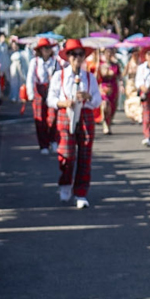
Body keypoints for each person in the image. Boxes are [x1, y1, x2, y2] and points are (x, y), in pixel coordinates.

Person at [51, 39, 101, 207]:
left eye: (80, 55)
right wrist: (64, 103)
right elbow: (51, 99)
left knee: (85, 156)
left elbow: (97, 101)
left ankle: (81, 192)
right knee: (67, 154)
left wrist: (88, 97)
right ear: (68, 56)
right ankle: (65, 184)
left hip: (85, 115)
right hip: (66, 114)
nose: (77, 58)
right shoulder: (59, 76)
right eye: (73, 54)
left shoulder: (89, 77)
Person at [24, 37, 57, 154]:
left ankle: (53, 140)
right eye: (44, 48)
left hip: (52, 90)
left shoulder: (55, 61)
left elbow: (59, 76)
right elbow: (30, 78)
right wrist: (30, 94)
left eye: (49, 48)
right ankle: (43, 145)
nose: (47, 50)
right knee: (40, 119)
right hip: (39, 90)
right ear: (40, 50)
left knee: (53, 117)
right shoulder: (35, 62)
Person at [96, 50, 122, 135]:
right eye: (107, 53)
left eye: (110, 52)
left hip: (113, 87)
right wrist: (97, 68)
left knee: (112, 107)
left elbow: (119, 76)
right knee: (105, 105)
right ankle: (105, 123)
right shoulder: (100, 64)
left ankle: (109, 123)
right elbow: (97, 77)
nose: (109, 54)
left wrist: (122, 85)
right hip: (104, 87)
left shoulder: (116, 65)